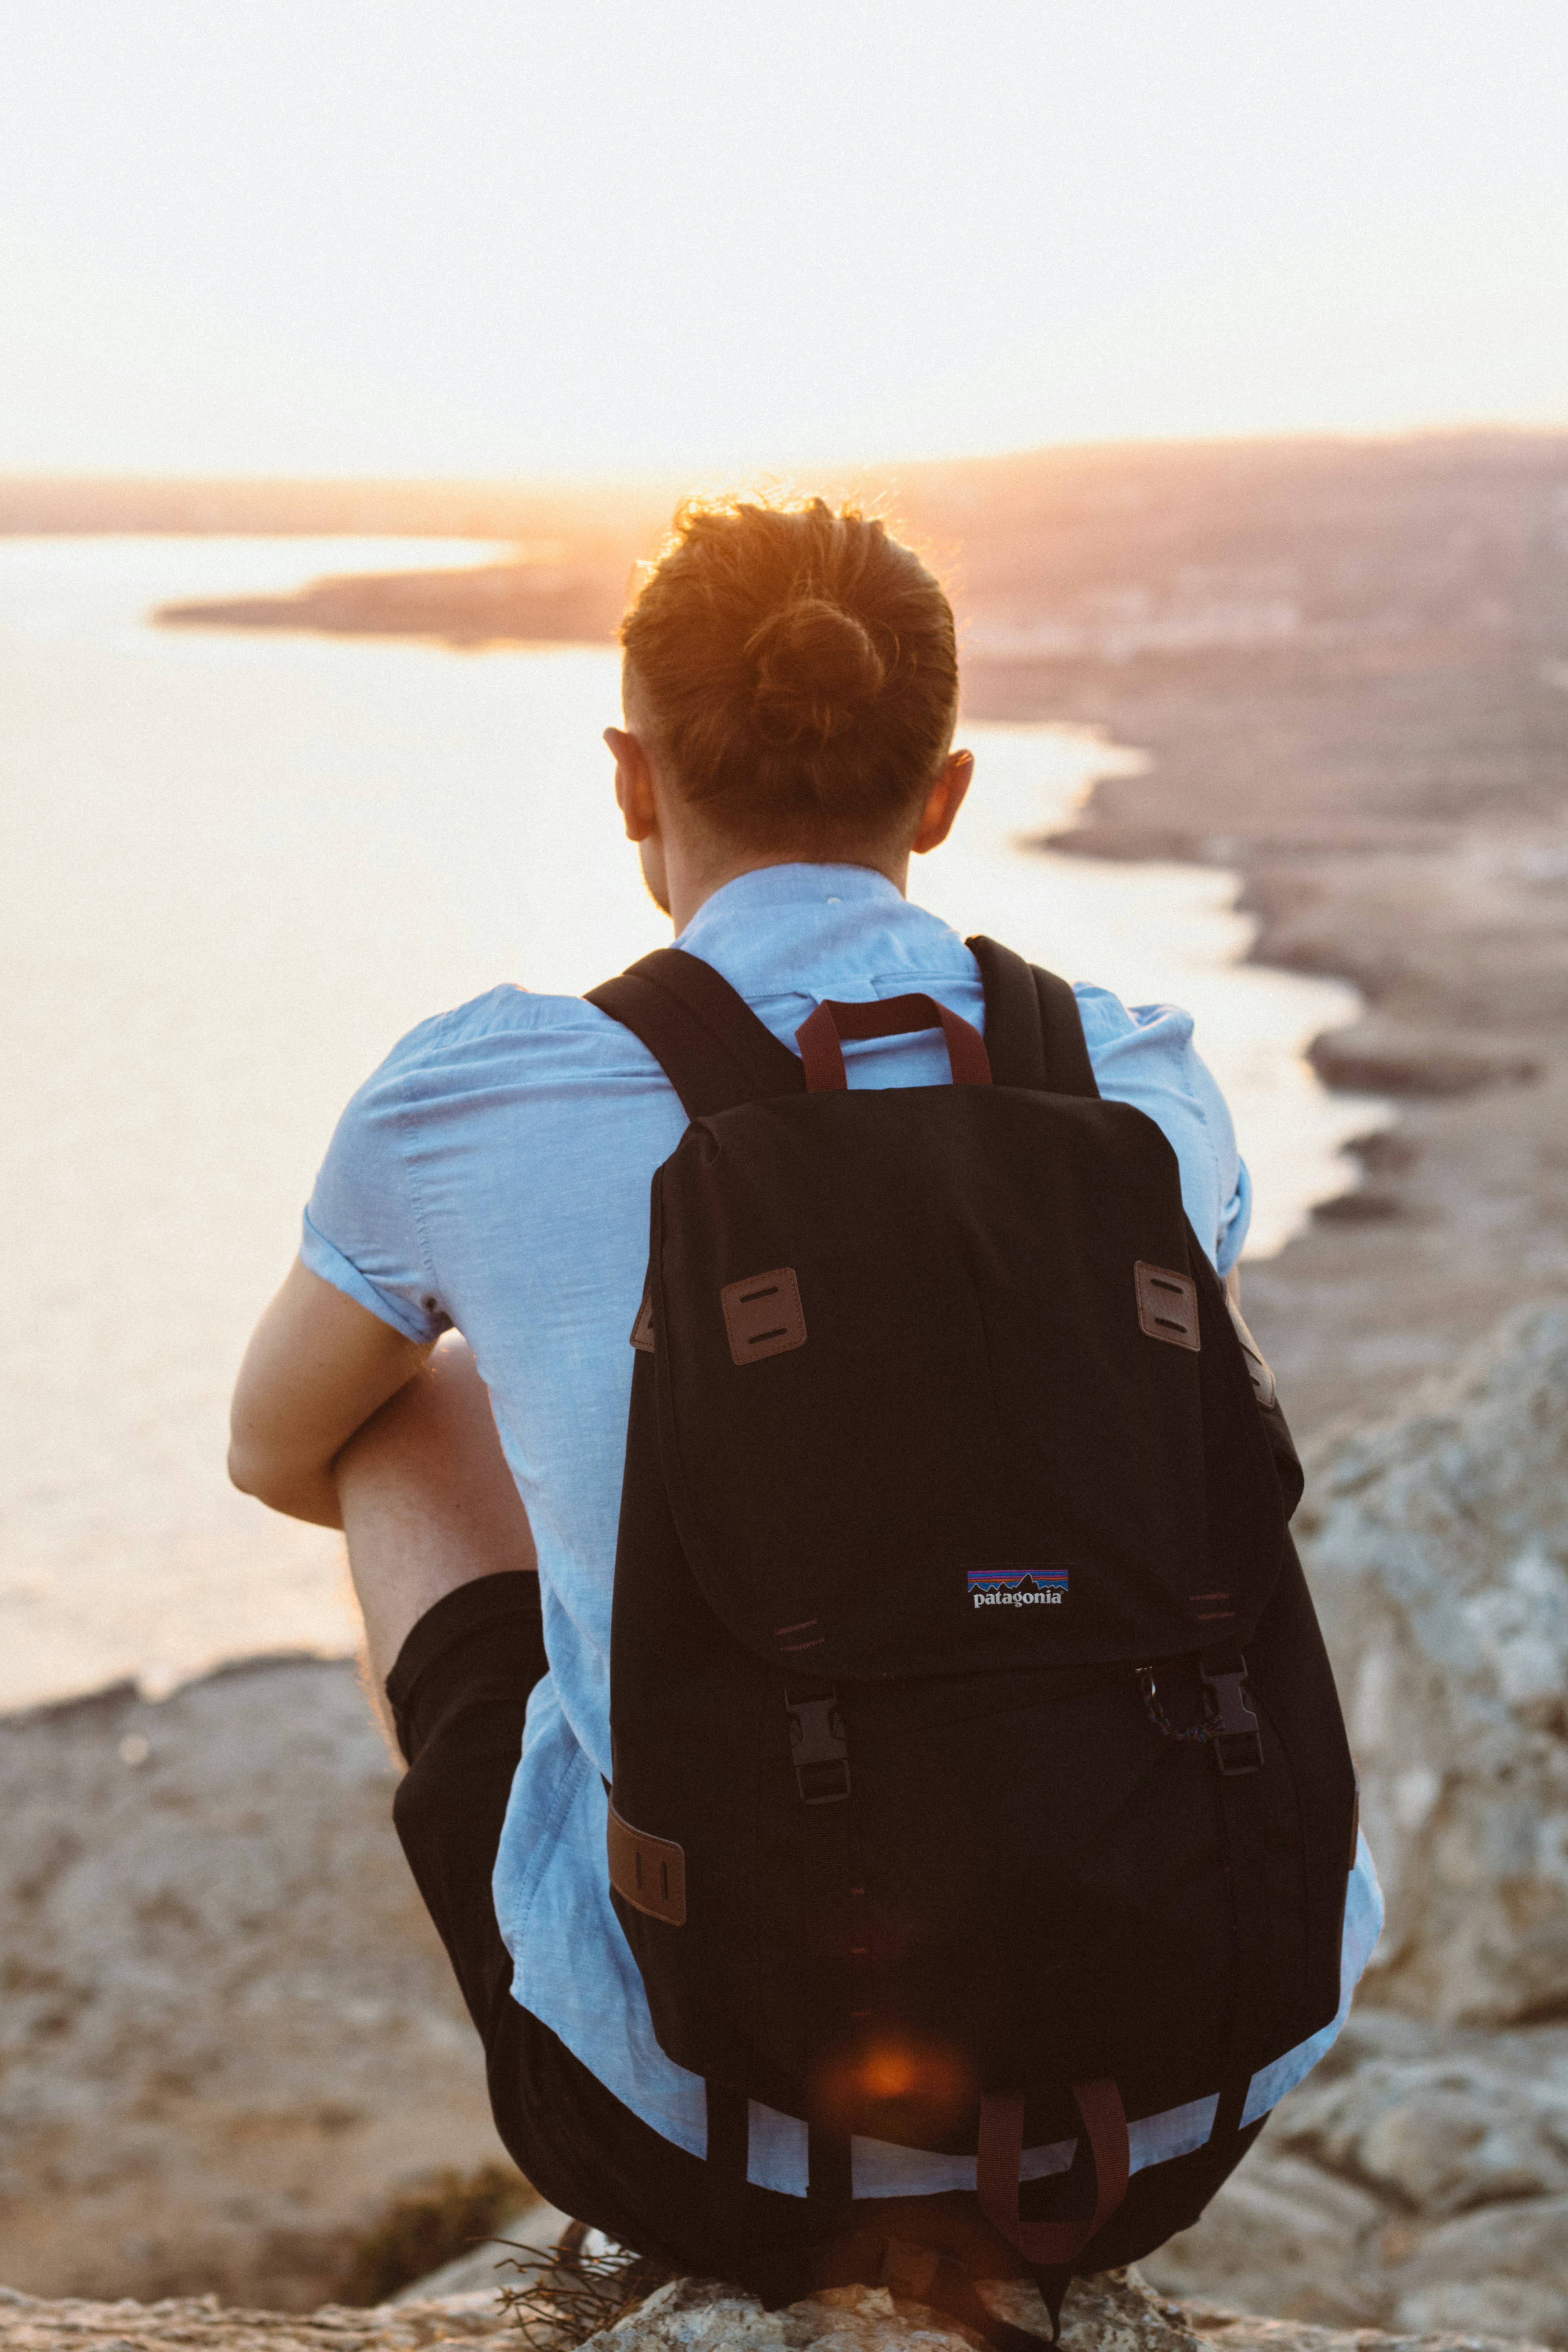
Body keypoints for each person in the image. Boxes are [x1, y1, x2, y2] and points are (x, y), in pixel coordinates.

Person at [229, 492, 1380, 2288]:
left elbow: (273, 1444)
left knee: (405, 1401)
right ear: (944, 791)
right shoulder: (1145, 1090)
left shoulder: (471, 1096)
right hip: (1168, 2109)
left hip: (723, 2144)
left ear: (631, 781)